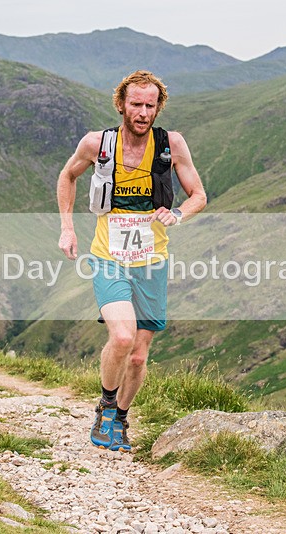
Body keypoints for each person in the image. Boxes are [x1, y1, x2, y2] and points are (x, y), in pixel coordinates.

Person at [57, 70, 207, 451]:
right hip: (109, 257)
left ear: (158, 107)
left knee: (138, 357)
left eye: (150, 105)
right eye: (136, 104)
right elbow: (67, 176)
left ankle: (121, 419)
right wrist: (67, 228)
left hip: (151, 262)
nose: (142, 112)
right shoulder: (97, 144)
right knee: (122, 337)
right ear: (121, 104)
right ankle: (106, 407)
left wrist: (178, 214)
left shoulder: (172, 145)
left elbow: (198, 195)